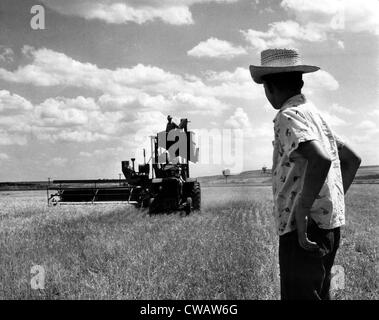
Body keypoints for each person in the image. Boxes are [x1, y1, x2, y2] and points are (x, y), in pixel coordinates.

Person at [249, 48, 361, 300]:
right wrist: (328, 202)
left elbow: (320, 159)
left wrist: (302, 209)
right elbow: (352, 159)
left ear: (268, 88)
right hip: (327, 227)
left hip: (301, 230)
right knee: (321, 293)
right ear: (300, 82)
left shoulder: (287, 116)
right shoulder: (315, 115)